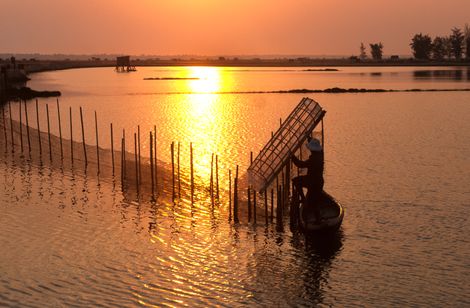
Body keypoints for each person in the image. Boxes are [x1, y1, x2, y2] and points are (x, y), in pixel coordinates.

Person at [291, 137, 324, 221]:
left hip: (312, 181)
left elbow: (300, 165)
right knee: (315, 201)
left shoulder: (313, 159)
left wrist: (292, 157)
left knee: (296, 181)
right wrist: (308, 138)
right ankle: (318, 218)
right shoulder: (320, 154)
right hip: (319, 182)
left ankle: (303, 198)